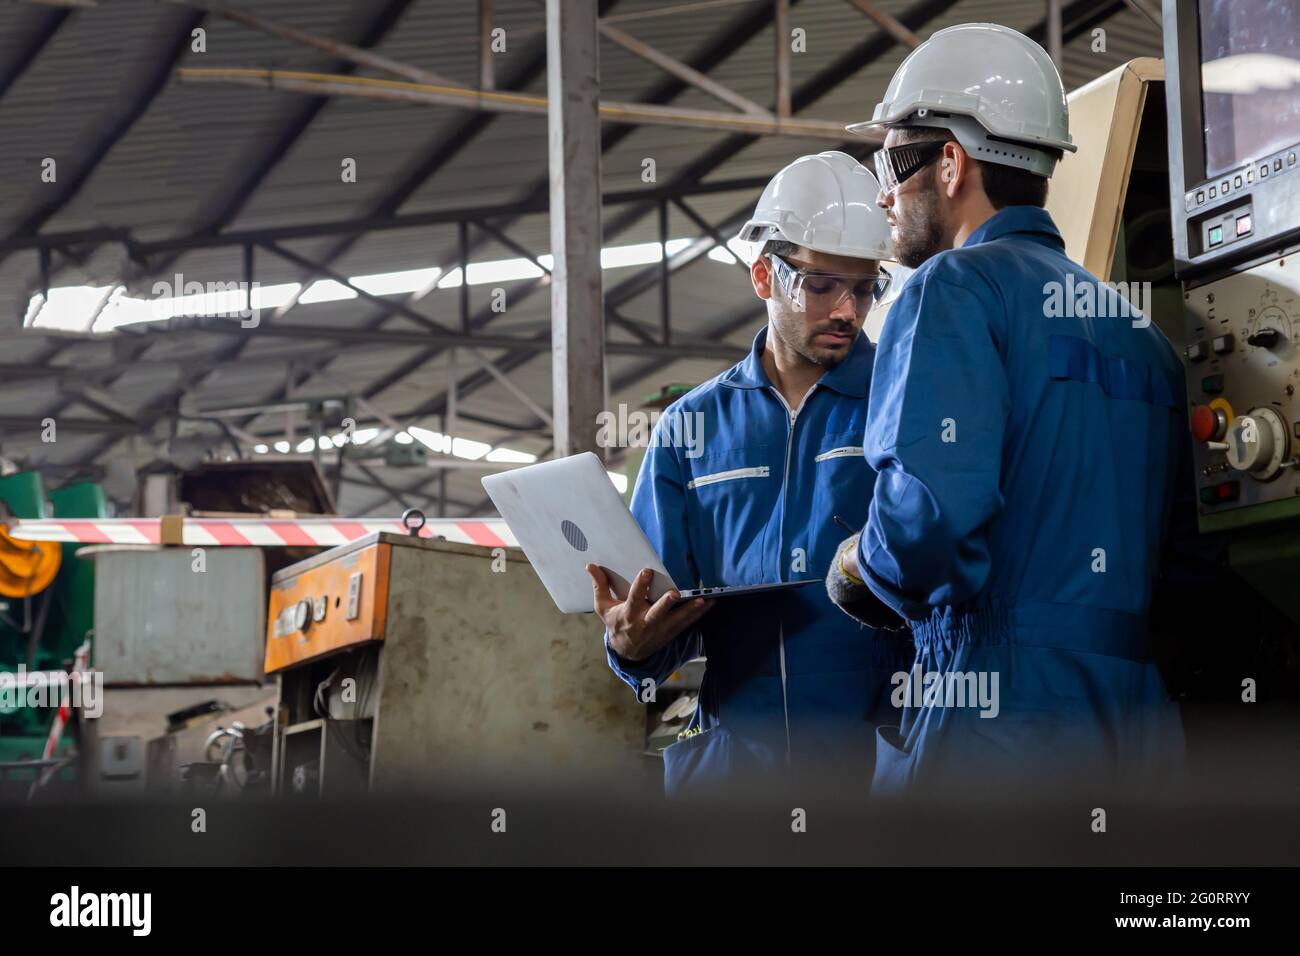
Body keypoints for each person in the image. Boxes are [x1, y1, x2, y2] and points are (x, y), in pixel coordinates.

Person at [826, 23, 1187, 794]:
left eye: (894, 159)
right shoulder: (1146, 337)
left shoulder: (951, 292)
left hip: (999, 721)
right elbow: (1186, 565)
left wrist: (859, 564)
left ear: (951, 162)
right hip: (1143, 732)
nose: (882, 192)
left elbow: (928, 524)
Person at [589, 151, 914, 798]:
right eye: (821, 286)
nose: (847, 311)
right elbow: (659, 628)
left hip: (877, 777)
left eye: (864, 288)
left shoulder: (903, 399)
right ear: (764, 276)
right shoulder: (691, 430)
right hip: (733, 787)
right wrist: (630, 646)